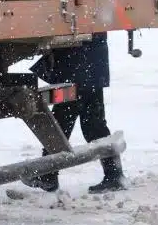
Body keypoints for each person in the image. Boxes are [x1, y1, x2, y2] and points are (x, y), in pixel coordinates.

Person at [25, 32, 126, 193]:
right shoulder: (92, 15)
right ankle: (114, 174)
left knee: (64, 120)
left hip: (77, 65)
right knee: (92, 123)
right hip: (88, 64)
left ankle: (48, 175)